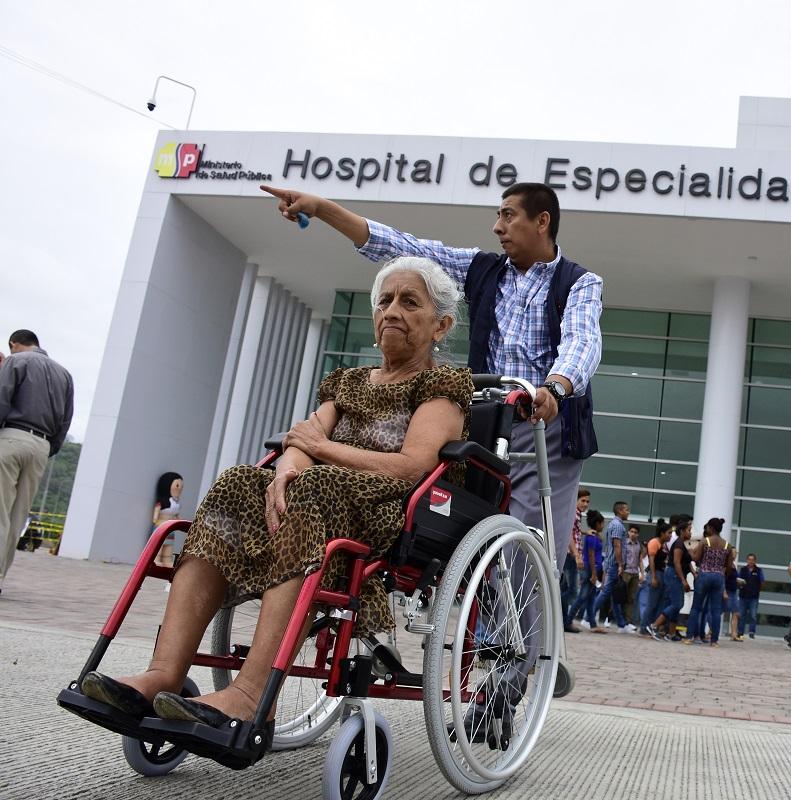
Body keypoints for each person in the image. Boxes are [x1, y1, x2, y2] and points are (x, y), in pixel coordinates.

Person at [78, 257, 473, 733]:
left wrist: (319, 454)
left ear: (441, 326)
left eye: (410, 302)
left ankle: (251, 696)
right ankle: (164, 673)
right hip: (313, 497)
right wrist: (285, 472)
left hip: (384, 508)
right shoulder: (346, 383)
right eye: (385, 300)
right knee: (239, 482)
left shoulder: (441, 387)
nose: (392, 310)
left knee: (318, 484)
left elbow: (414, 465)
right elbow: (303, 440)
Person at [262, 182, 603, 643]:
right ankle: (479, 635)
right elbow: (403, 247)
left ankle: (520, 655)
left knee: (527, 540)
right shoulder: (484, 269)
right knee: (470, 529)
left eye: (508, 216)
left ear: (541, 221)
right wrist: (323, 209)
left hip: (547, 421)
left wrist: (555, 387)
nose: (497, 226)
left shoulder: (579, 282)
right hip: (488, 418)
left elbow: (582, 342)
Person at [0, 330, 74, 593]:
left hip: (11, 436)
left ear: (14, 344)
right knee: (18, 515)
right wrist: (50, 447)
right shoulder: (64, 375)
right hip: (42, 446)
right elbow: (66, 420)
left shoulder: (14, 361)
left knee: (1, 511)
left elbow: (2, 399)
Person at [686, 518, 732, 646]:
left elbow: (696, 558)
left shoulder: (705, 541)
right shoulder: (727, 545)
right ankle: (714, 641)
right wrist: (722, 574)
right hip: (718, 577)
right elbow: (729, 566)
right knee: (716, 610)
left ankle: (689, 637)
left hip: (704, 575)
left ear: (711, 528)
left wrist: (690, 552)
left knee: (696, 607)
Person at [650, 515, 693, 641]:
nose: (691, 533)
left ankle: (671, 633)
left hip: (676, 575)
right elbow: (676, 563)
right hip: (674, 575)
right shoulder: (679, 544)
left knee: (674, 603)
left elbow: (687, 562)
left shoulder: (682, 544)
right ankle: (654, 625)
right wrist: (684, 580)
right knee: (677, 603)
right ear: (682, 531)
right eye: (689, 530)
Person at [592, 502, 631, 631]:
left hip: (612, 563)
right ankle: (589, 616)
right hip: (614, 564)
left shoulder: (614, 524)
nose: (628, 512)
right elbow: (617, 545)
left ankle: (621, 624)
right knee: (606, 592)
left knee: (615, 594)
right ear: (620, 511)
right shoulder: (618, 526)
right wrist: (620, 564)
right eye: (626, 510)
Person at [567, 509, 606, 632]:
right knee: (582, 596)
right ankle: (568, 620)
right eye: (602, 523)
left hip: (592, 569)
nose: (603, 526)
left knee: (591, 597)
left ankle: (593, 624)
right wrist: (594, 574)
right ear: (597, 523)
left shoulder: (594, 536)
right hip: (590, 569)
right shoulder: (592, 538)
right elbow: (591, 556)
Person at [562, 488, 590, 633]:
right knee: (572, 592)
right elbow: (568, 535)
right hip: (570, 556)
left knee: (567, 589)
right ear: (577, 500)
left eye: (587, 501)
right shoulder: (574, 512)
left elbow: (574, 532)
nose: (585, 504)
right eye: (583, 500)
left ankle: (564, 622)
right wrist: (577, 555)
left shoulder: (576, 514)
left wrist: (585, 532)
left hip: (570, 555)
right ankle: (554, 610)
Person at [638, 520, 670, 636]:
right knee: (652, 602)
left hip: (661, 573)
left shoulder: (663, 544)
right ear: (662, 533)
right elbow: (651, 560)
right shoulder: (654, 543)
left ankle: (651, 626)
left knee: (659, 603)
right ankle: (643, 627)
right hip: (655, 573)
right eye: (668, 533)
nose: (670, 535)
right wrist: (654, 577)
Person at [151, 472, 185, 568]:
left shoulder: (176, 504)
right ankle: (156, 559)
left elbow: (177, 515)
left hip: (170, 527)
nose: (179, 489)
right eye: (177, 485)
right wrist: (155, 519)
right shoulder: (163, 502)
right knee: (160, 543)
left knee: (169, 544)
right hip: (161, 524)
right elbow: (157, 510)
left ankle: (167, 560)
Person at [735, 553, 766, 641]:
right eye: (749, 559)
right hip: (743, 596)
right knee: (741, 615)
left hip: (753, 597)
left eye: (752, 560)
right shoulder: (743, 569)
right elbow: (738, 580)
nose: (751, 561)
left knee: (753, 615)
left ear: (755, 561)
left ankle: (752, 632)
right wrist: (740, 584)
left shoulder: (758, 570)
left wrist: (759, 589)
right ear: (747, 560)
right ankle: (740, 632)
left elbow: (762, 581)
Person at [620, 524, 642, 631]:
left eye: (635, 532)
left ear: (638, 534)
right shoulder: (624, 544)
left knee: (631, 598)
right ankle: (610, 618)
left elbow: (640, 560)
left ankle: (627, 621)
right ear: (628, 532)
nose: (633, 534)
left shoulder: (639, 545)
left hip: (634, 573)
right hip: (625, 572)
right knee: (621, 597)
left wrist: (642, 573)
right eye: (631, 531)